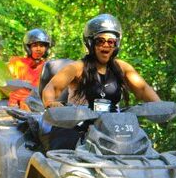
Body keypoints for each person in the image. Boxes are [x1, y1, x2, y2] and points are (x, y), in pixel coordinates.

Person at [41, 13, 160, 149]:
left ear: (116, 44)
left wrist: (160, 106)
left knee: (143, 150)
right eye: (100, 41)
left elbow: (143, 89)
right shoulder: (78, 67)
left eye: (111, 42)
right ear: (90, 43)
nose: (106, 45)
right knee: (64, 155)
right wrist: (51, 103)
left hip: (114, 129)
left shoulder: (122, 68)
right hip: (78, 126)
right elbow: (52, 88)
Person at [8, 28, 51, 110]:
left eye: (41, 46)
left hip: (38, 107)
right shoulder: (16, 62)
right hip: (15, 107)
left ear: (46, 48)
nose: (38, 49)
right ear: (28, 48)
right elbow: (5, 83)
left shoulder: (49, 66)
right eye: (35, 45)